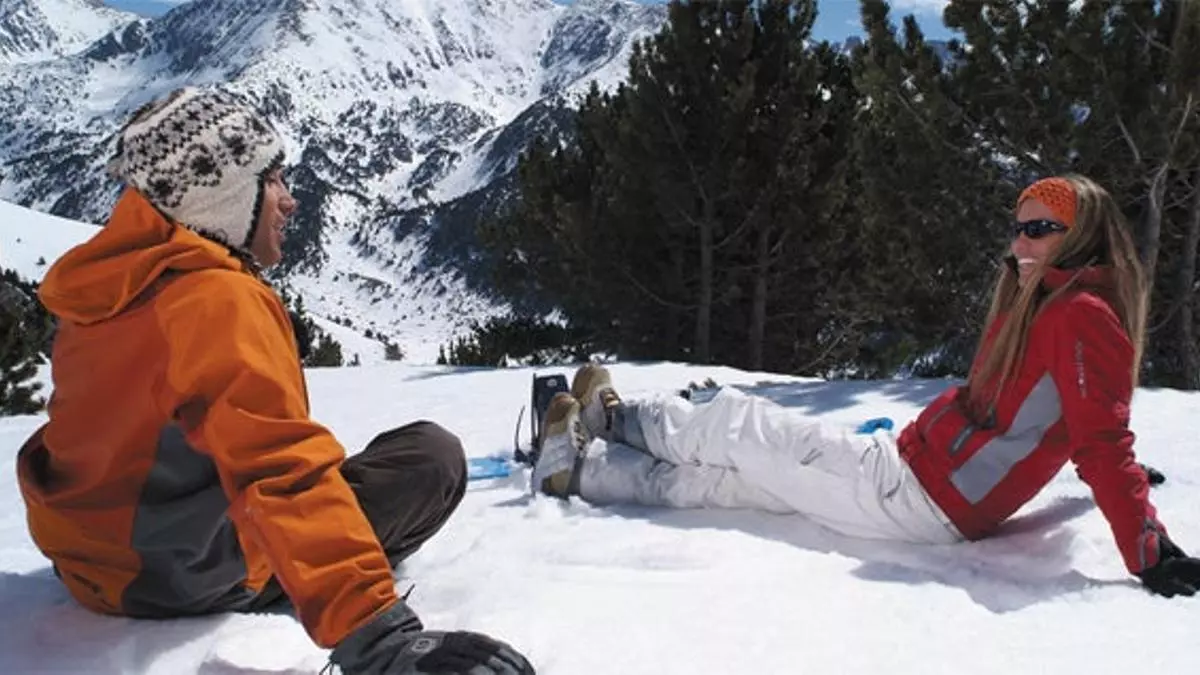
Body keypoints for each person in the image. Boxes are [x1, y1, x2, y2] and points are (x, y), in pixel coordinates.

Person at [15, 86, 534, 674]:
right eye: (273, 181)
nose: (290, 201)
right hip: (175, 577)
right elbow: (280, 470)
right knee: (430, 458)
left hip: (88, 563)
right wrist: (378, 636)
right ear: (219, 197)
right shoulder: (213, 300)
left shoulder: (105, 287)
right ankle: (296, 576)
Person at [533, 175, 1200, 598]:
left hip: (920, 496)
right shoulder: (1053, 302)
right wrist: (1125, 475)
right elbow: (1073, 418)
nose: (1020, 243)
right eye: (1017, 227)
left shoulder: (1081, 315)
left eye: (1038, 230)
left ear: (1080, 236)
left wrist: (1148, 552)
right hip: (914, 476)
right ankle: (583, 470)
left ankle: (614, 421)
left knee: (740, 424)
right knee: (736, 484)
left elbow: (1099, 438)